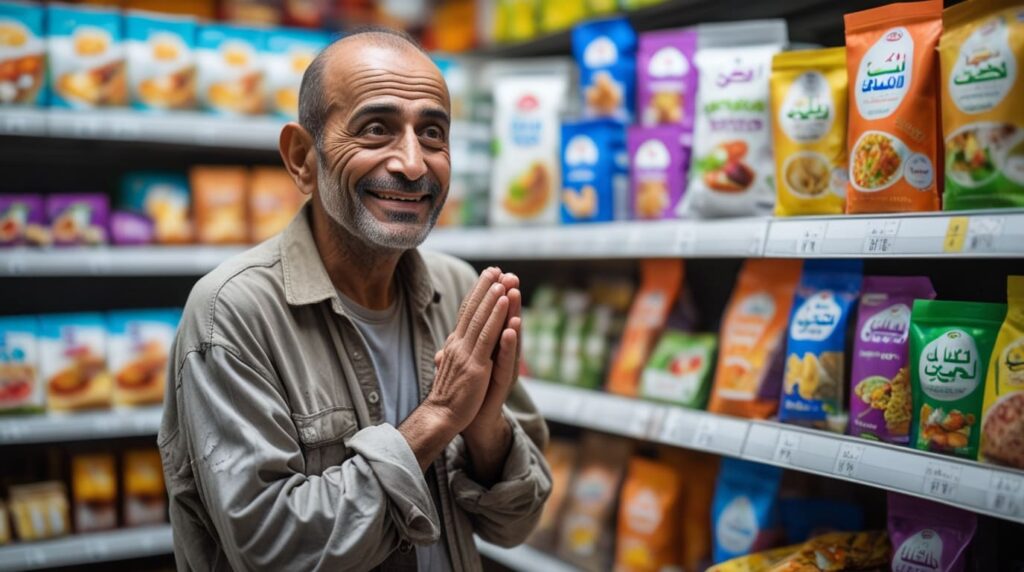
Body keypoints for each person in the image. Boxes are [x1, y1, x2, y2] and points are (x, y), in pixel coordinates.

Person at [158, 27, 552, 571]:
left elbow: (517, 524)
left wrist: (486, 429)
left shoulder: (461, 291)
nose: (413, 164)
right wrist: (438, 417)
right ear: (302, 157)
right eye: (376, 129)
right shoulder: (233, 313)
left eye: (433, 133)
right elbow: (275, 551)